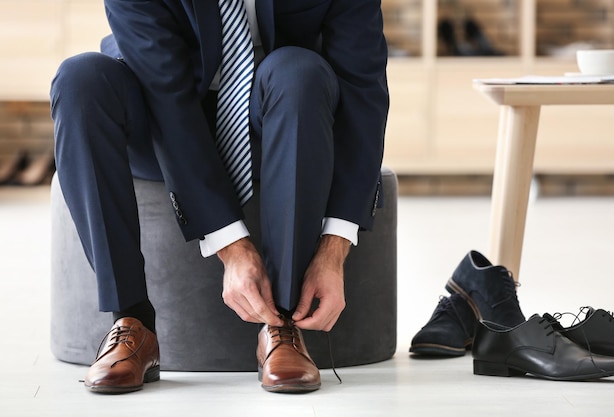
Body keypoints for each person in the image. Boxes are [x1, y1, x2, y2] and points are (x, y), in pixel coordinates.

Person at [50, 0, 388, 394]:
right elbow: (165, 96)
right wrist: (231, 246)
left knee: (299, 71)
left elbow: (362, 88)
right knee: (80, 79)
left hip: (281, 118)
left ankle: (281, 325)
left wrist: (334, 247)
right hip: (162, 119)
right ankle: (131, 323)